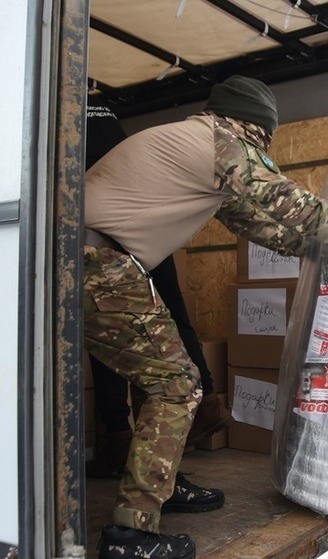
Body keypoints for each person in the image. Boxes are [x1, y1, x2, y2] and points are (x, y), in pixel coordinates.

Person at [85, 75, 328, 558]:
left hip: (82, 262)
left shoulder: (197, 144)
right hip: (100, 265)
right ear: (256, 127)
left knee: (163, 382)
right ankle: (131, 534)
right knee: (177, 385)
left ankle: (161, 485)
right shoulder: (223, 143)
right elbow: (304, 212)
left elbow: (265, 228)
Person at [85, 102, 230, 518]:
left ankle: (119, 440)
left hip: (101, 235)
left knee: (117, 342)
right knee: (168, 320)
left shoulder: (59, 109)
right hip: (140, 227)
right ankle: (199, 411)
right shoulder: (109, 114)